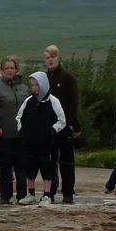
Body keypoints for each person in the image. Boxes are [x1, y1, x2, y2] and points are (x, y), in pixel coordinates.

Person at [15, 72, 66, 206]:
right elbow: (19, 117)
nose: (35, 87)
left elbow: (62, 120)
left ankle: (47, 195)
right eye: (32, 85)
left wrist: (51, 131)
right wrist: (22, 130)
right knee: (30, 168)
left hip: (46, 143)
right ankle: (30, 194)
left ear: (43, 84)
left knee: (46, 168)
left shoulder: (53, 101)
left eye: (37, 84)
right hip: (30, 142)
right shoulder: (28, 101)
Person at [0, 56, 29, 204]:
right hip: (4, 134)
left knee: (22, 166)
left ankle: (22, 195)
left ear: (16, 70)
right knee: (5, 166)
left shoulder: (24, 88)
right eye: (7, 68)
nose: (9, 71)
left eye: (12, 68)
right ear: (2, 70)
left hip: (21, 135)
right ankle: (5, 196)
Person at [43, 45, 80, 204]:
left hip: (65, 127)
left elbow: (73, 103)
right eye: (47, 57)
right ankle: (49, 192)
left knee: (66, 162)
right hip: (49, 127)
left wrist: (73, 124)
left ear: (59, 58)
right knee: (49, 162)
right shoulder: (43, 79)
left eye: (53, 56)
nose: (50, 60)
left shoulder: (67, 77)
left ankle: (68, 193)